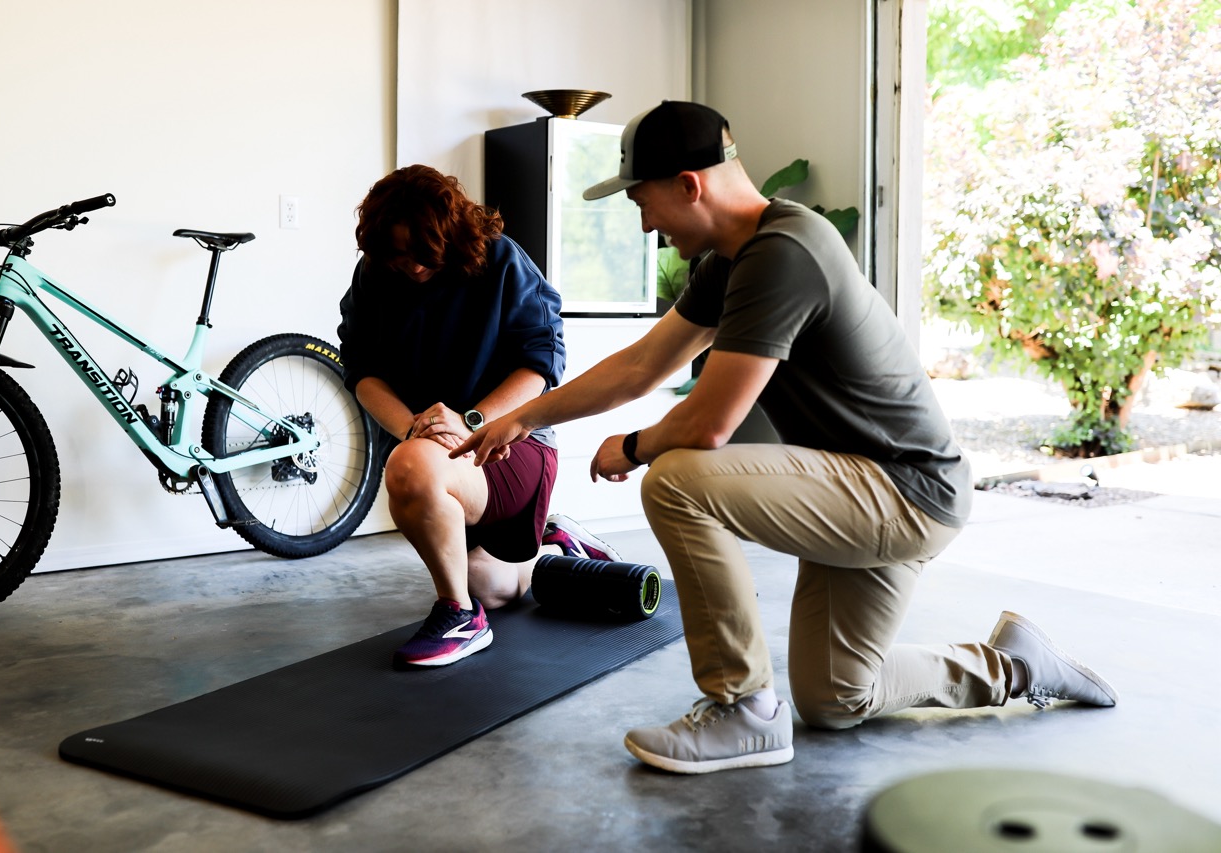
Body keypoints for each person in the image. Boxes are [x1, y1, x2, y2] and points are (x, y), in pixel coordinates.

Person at [453, 102, 1118, 774]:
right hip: (863, 484)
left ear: (688, 184)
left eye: (642, 202)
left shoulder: (783, 253)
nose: (647, 225)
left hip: (906, 491)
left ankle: (742, 708)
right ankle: (1015, 666)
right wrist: (522, 417)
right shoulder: (733, 260)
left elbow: (708, 424)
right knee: (838, 696)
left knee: (677, 479)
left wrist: (632, 446)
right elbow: (641, 365)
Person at [337, 164, 621, 669]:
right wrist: (412, 427)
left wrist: (471, 420)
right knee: (487, 585)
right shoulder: (376, 275)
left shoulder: (500, 260)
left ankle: (459, 617)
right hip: (435, 453)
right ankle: (553, 545)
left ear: (449, 234)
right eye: (399, 254)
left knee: (410, 467)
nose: (412, 266)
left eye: (422, 253)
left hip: (511, 443)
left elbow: (542, 363)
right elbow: (361, 370)